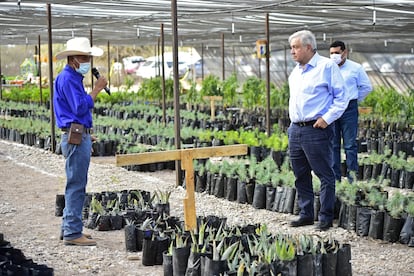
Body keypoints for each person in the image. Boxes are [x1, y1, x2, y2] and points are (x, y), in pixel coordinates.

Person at [287, 30, 348, 231]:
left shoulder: (326, 67)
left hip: (316, 129)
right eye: (291, 48)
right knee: (300, 174)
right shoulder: (296, 71)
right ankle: (306, 214)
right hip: (296, 129)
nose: (292, 52)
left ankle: (325, 217)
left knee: (324, 174)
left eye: (295, 47)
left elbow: (342, 97)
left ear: (309, 47)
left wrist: (326, 118)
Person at [54, 37, 108, 246]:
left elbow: (74, 111)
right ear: (72, 59)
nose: (87, 62)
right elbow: (79, 108)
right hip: (74, 135)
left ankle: (69, 227)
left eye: (88, 57)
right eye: (84, 57)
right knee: (76, 184)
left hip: (77, 133)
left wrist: (86, 132)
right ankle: (72, 233)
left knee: (75, 182)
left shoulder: (71, 78)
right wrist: (97, 89)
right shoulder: (67, 79)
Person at [329, 41, 373, 182]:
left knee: (350, 145)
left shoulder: (355, 68)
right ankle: (335, 179)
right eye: (331, 53)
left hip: (349, 109)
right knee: (333, 145)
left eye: (337, 53)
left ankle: (352, 179)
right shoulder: (327, 68)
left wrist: (353, 100)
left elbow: (366, 87)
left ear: (345, 52)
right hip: (333, 108)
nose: (334, 56)